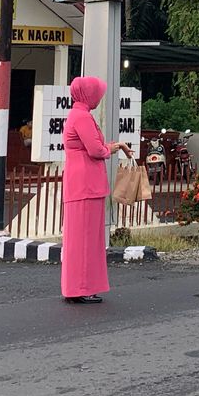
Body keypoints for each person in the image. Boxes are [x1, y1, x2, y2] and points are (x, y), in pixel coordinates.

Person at [60, 75, 133, 304]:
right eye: (97, 94)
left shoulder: (78, 115)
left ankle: (77, 287)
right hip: (86, 184)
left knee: (80, 239)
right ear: (88, 95)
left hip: (81, 182)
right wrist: (112, 148)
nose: (99, 99)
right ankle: (81, 287)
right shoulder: (82, 117)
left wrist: (115, 145)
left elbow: (96, 146)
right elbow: (96, 150)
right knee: (86, 239)